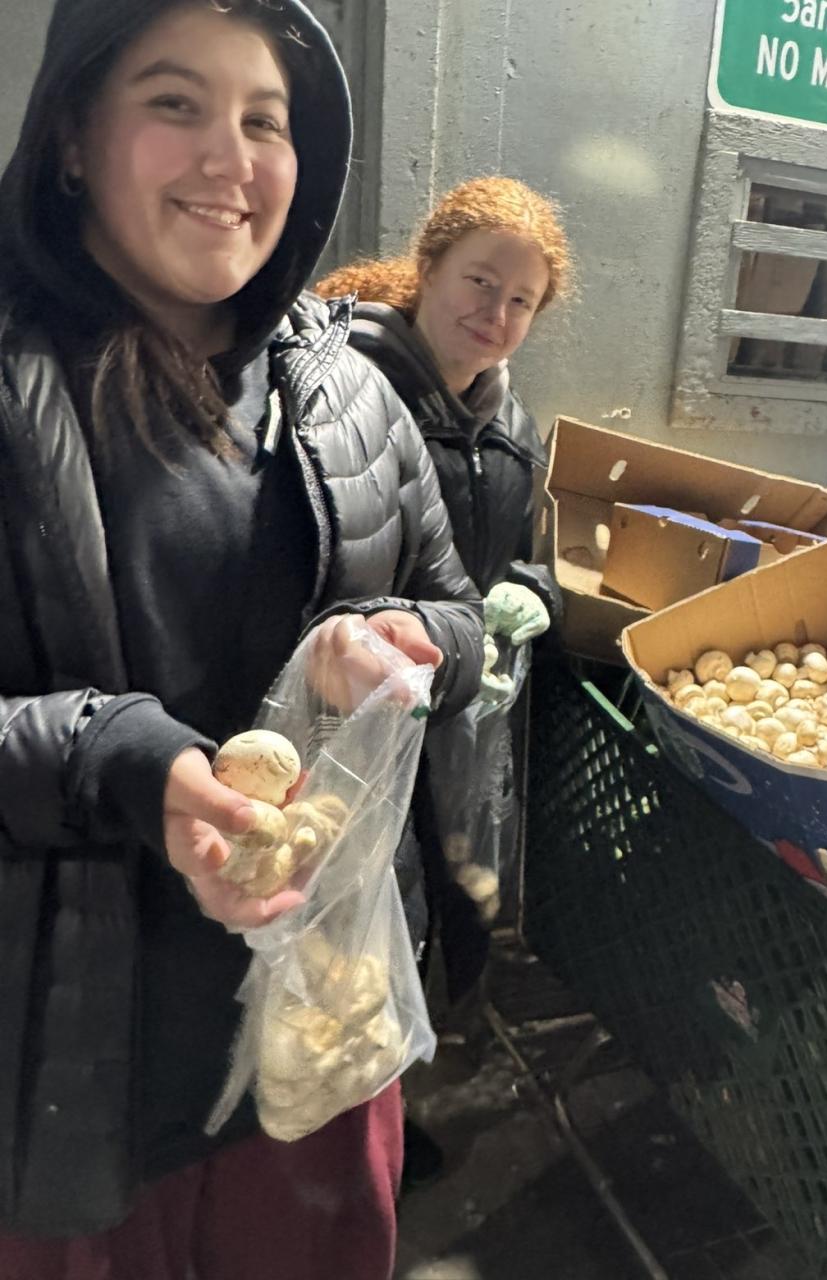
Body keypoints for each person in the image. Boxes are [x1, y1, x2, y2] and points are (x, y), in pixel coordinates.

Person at [0, 2, 484, 1278]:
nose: (232, 158)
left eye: (265, 122)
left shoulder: (351, 391)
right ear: (71, 136)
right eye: (176, 103)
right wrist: (115, 756)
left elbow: (460, 613)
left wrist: (393, 641)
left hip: (318, 1038)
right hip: (66, 1080)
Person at [316, 177, 573, 1174]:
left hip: (461, 716)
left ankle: (403, 1096)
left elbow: (527, 552)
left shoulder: (512, 427)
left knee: (449, 893)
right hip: (359, 712)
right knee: (359, 904)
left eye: (521, 301)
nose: (495, 313)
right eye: (479, 281)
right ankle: (341, 1129)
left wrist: (531, 593)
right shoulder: (344, 388)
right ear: (427, 269)